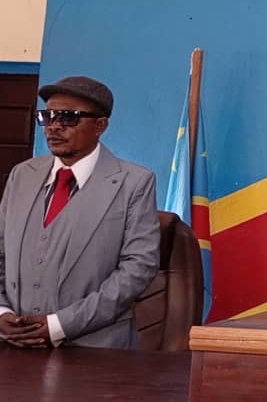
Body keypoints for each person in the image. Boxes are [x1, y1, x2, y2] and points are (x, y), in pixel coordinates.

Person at [0, 76, 160, 349]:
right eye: (48, 116)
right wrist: (2, 312)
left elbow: (138, 267)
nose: (54, 126)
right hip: (14, 344)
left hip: (96, 349)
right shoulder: (22, 175)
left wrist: (58, 326)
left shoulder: (134, 183)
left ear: (100, 125)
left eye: (68, 117)